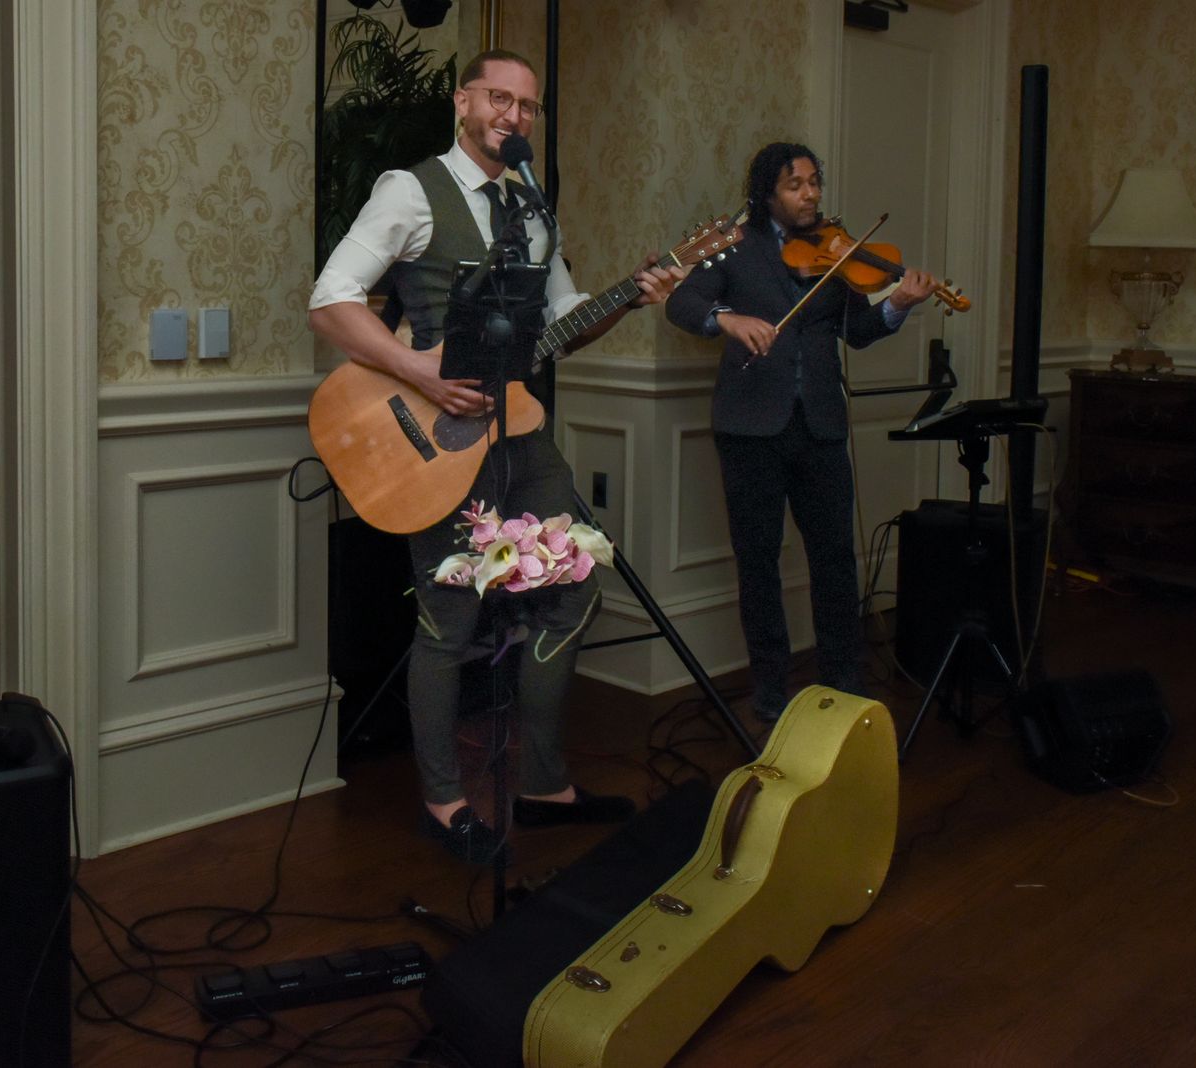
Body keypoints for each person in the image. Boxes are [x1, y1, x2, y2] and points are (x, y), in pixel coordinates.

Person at [309, 48, 685, 864]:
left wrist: (631, 297)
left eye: (527, 105)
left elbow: (565, 321)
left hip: (519, 434)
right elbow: (331, 299)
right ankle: (443, 801)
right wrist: (421, 373)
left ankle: (543, 786)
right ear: (463, 102)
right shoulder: (411, 191)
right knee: (447, 624)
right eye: (498, 98)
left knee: (576, 591)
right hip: (431, 440)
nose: (513, 115)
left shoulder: (534, 209)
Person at [665, 142, 938, 722]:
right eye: (796, 185)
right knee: (758, 562)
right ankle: (770, 689)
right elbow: (682, 303)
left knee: (835, 559)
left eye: (814, 182)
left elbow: (858, 330)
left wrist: (898, 305)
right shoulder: (732, 246)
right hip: (750, 428)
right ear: (767, 193)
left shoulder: (836, 252)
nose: (810, 194)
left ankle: (843, 682)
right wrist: (727, 319)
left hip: (820, 424)